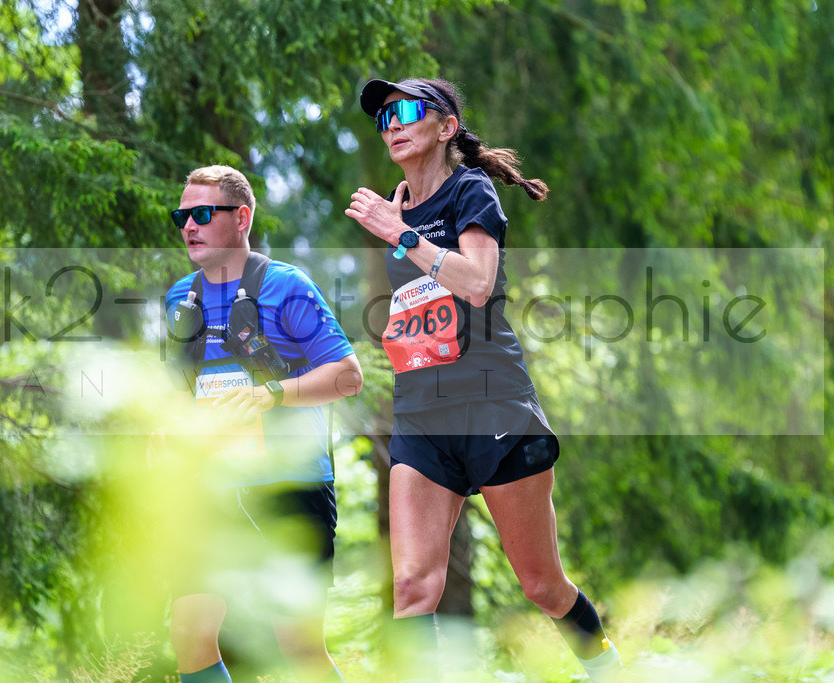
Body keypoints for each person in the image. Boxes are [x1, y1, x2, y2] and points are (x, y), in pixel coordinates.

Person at [345, 78, 623, 681]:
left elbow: (475, 283)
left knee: (543, 586)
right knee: (413, 585)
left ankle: (610, 671)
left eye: (410, 110)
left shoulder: (469, 192)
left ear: (445, 128)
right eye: (384, 117)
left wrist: (400, 235)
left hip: (494, 407)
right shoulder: (400, 212)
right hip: (421, 414)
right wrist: (401, 231)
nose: (393, 122)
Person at [164, 164, 363, 683]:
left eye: (203, 214)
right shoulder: (178, 299)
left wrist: (270, 394)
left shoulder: (286, 286)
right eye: (182, 215)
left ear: (242, 217)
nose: (189, 225)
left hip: (290, 483)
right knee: (190, 632)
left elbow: (348, 376)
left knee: (295, 644)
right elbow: (183, 389)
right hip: (209, 489)